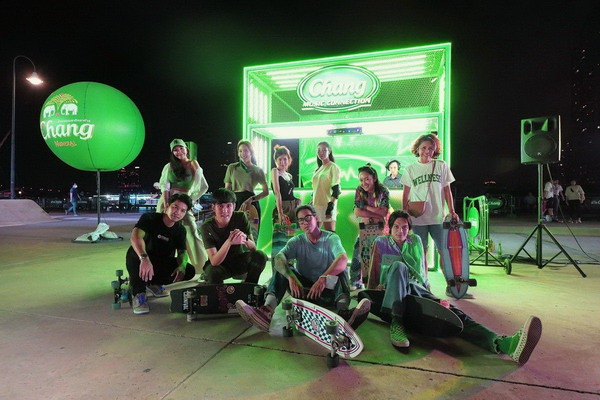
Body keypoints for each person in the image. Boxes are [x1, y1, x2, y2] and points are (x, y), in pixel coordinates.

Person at [358, 210, 543, 365]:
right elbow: (373, 274)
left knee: (456, 315)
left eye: (405, 227)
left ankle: (504, 344)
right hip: (392, 295)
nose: (401, 231)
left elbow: (422, 272)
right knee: (399, 267)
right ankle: (396, 322)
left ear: (409, 229)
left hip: (416, 293)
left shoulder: (416, 242)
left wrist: (433, 298)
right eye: (396, 227)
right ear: (389, 228)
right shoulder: (380, 243)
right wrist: (371, 298)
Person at [236, 204, 371, 332]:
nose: (305, 222)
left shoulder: (331, 238)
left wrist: (323, 278)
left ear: (316, 218)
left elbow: (342, 259)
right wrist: (291, 277)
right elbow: (278, 259)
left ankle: (344, 315)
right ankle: (266, 312)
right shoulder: (296, 241)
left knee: (340, 271)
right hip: (303, 291)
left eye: (308, 218)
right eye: (301, 220)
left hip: (328, 292)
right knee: (283, 268)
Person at [126, 193, 197, 314]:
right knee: (135, 253)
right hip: (140, 259)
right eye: (175, 207)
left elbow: (182, 252)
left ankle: (153, 283)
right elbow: (136, 237)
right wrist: (144, 258)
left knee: (189, 270)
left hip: (159, 262)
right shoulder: (150, 218)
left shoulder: (180, 230)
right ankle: (138, 293)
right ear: (167, 206)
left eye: (182, 210)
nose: (178, 212)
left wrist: (182, 265)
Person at [400, 133, 458, 274]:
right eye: (424, 147)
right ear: (417, 149)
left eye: (431, 148)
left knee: (444, 250)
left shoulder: (441, 165)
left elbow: (447, 191)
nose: (427, 151)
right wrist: (405, 214)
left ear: (435, 150)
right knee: (422, 252)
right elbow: (405, 194)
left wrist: (452, 210)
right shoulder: (410, 169)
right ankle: (425, 282)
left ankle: (449, 281)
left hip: (438, 217)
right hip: (418, 217)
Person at [158, 139, 209, 270]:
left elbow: (204, 186)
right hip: (167, 201)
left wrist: (191, 200)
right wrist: (166, 204)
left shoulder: (193, 164)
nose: (179, 151)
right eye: (175, 150)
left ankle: (202, 267)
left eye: (181, 148)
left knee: (191, 230)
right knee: (163, 233)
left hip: (184, 202)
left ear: (186, 149)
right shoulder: (169, 166)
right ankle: (163, 265)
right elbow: (165, 186)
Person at [200, 188, 267, 284]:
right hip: (219, 265)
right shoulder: (207, 226)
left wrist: (244, 238)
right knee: (212, 272)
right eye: (220, 206)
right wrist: (229, 242)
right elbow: (214, 261)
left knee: (260, 256)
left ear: (234, 206)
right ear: (213, 207)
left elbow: (253, 248)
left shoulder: (240, 217)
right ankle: (218, 291)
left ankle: (249, 287)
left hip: (237, 261)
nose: (225, 210)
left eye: (228, 206)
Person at [350, 164, 390, 289]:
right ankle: (355, 281)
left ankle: (381, 281)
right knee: (358, 252)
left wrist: (366, 207)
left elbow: (384, 212)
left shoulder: (383, 190)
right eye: (361, 180)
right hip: (365, 227)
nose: (364, 183)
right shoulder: (359, 190)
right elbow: (357, 212)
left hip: (380, 228)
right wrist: (375, 212)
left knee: (379, 254)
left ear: (374, 178)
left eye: (367, 179)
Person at [224, 140, 269, 230]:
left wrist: (251, 199)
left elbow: (266, 192)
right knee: (234, 232)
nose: (242, 153)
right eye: (240, 151)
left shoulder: (258, 170)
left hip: (251, 203)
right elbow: (227, 190)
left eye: (245, 150)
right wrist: (228, 205)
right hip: (235, 202)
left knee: (252, 233)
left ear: (251, 152)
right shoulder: (232, 167)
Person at [312, 141, 341, 231]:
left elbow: (336, 190)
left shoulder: (333, 167)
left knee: (330, 234)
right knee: (314, 234)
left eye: (324, 150)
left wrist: (330, 206)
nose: (321, 152)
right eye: (319, 150)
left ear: (329, 151)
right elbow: (316, 189)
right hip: (316, 205)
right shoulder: (317, 169)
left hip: (327, 205)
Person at [271, 145, 300, 224]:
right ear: (276, 161)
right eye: (280, 159)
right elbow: (277, 192)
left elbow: (288, 193)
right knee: (281, 230)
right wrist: (280, 213)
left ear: (289, 159)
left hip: (293, 207)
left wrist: (296, 199)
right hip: (282, 207)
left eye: (285, 159)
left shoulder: (289, 175)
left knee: (293, 230)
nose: (282, 162)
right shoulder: (275, 171)